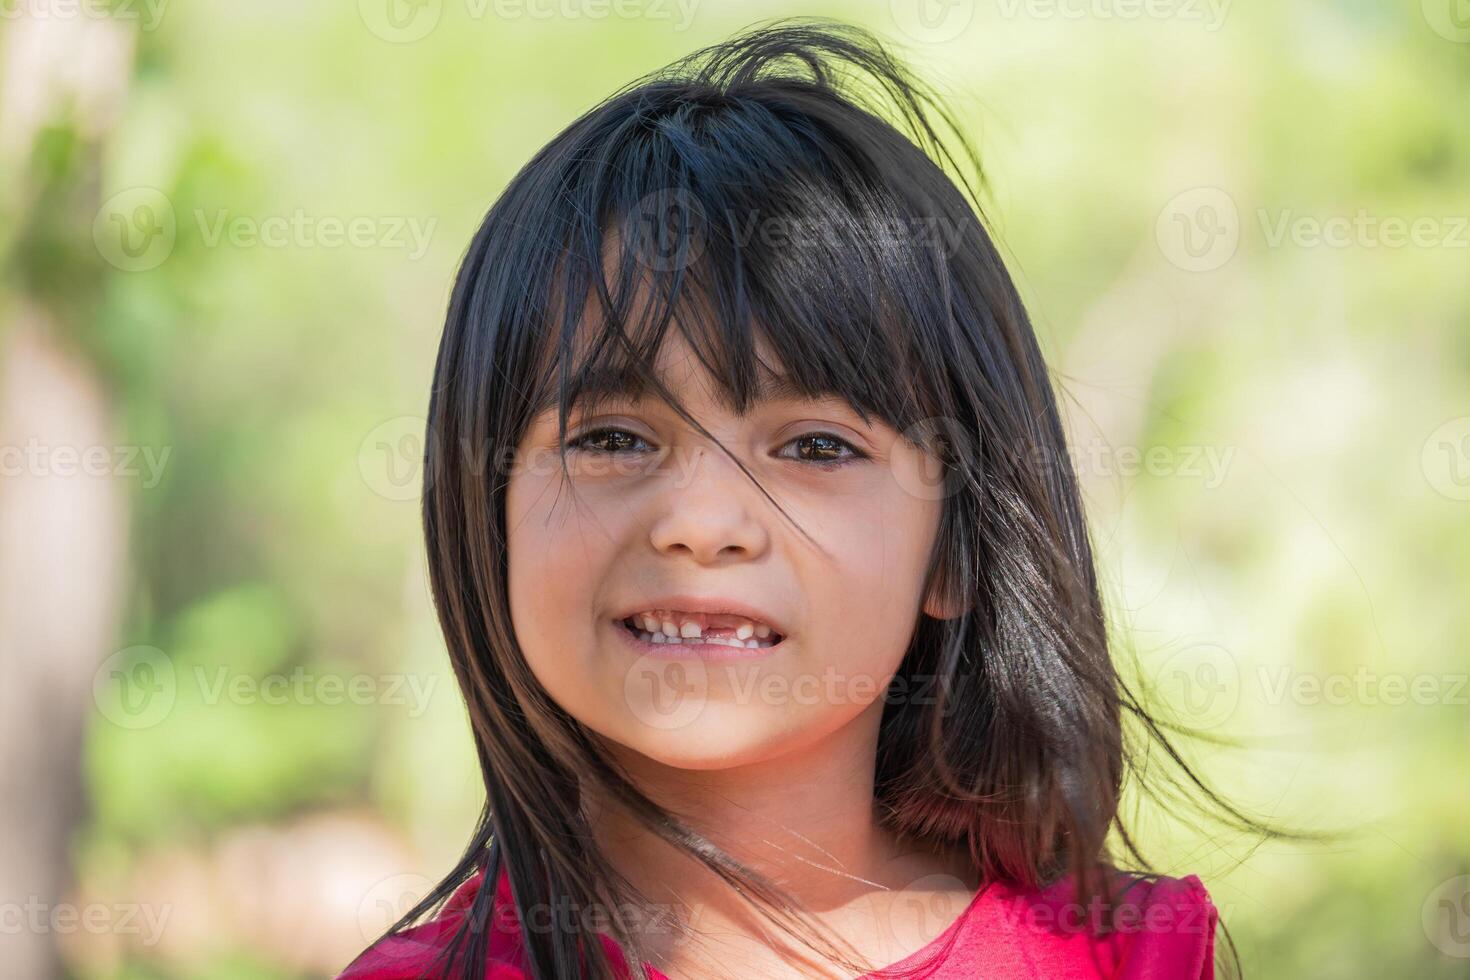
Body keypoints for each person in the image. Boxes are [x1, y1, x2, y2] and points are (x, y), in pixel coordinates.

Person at [340, 18, 1246, 979]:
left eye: (817, 446)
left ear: (955, 551)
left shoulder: (1120, 961)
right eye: (611, 439)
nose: (700, 524)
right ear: (491, 515)